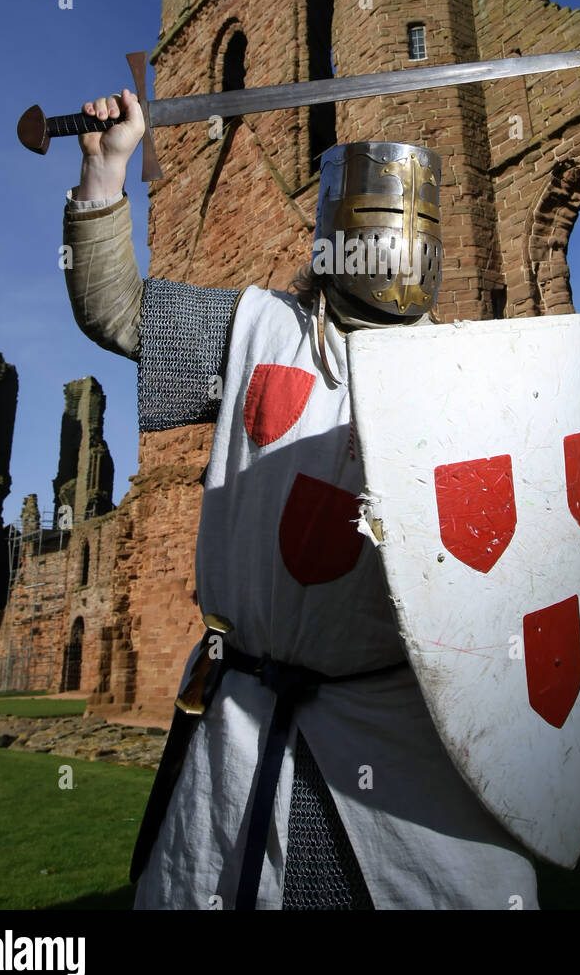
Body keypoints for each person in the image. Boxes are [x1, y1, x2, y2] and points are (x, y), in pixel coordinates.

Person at [63, 87, 540, 910]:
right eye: (375, 219)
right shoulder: (261, 330)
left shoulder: (472, 380)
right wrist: (107, 175)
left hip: (402, 736)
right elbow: (119, 315)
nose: (391, 242)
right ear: (333, 228)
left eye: (410, 224)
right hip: (244, 717)